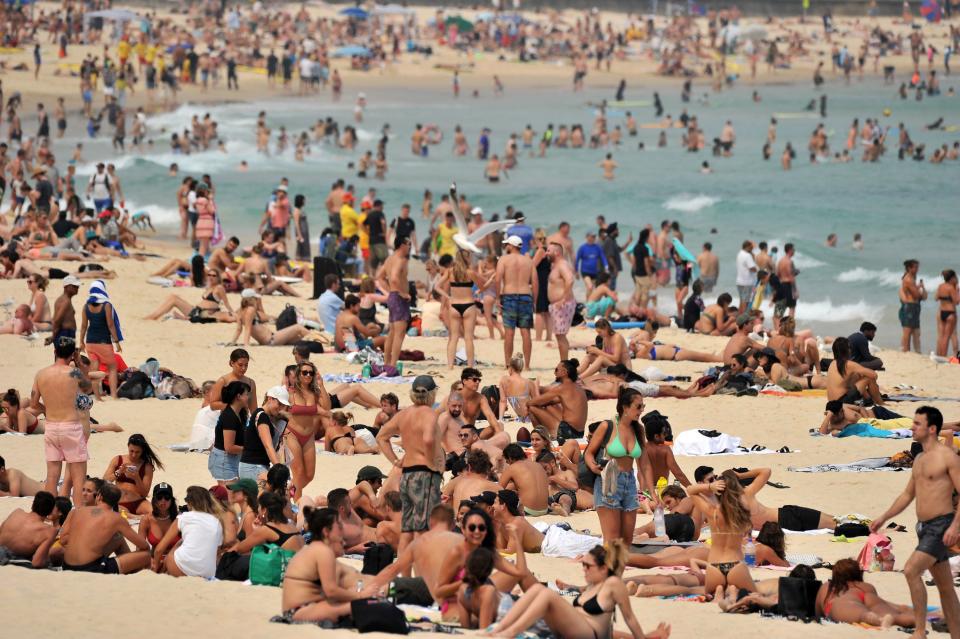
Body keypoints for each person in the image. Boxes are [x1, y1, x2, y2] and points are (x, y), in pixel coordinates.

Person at [871, 406, 960, 639]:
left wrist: (954, 526)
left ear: (932, 429)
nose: (912, 427)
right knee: (945, 587)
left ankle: (920, 632)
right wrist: (884, 517)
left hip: (942, 525)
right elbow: (907, 495)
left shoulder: (947, 457)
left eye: (917, 424)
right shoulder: (919, 458)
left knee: (911, 570)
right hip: (924, 527)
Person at [490, 540, 670, 639]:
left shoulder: (613, 584)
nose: (583, 568)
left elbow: (629, 617)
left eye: (587, 565)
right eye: (583, 564)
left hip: (588, 634)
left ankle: (508, 633)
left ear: (603, 568)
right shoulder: (593, 584)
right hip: (575, 630)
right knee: (536, 590)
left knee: (545, 594)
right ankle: (502, 629)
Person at [376, 375, 444, 556]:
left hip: (407, 474)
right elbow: (428, 439)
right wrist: (431, 464)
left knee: (407, 530)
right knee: (423, 528)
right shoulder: (429, 413)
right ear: (432, 394)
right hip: (424, 475)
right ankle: (422, 574)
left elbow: (381, 437)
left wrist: (395, 461)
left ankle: (404, 574)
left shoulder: (404, 414)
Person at [280, 508, 379, 622]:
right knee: (367, 605)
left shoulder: (314, 548)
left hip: (299, 609)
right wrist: (360, 595)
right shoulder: (323, 551)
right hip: (299, 611)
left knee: (364, 600)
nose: (342, 531)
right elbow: (331, 591)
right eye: (339, 526)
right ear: (326, 531)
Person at [583, 387, 655, 543]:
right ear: (625, 407)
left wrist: (653, 492)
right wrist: (593, 466)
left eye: (643, 406)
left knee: (627, 539)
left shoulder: (639, 430)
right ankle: (608, 566)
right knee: (612, 538)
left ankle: (617, 565)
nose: (641, 410)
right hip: (609, 480)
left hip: (629, 483)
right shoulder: (607, 426)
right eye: (638, 406)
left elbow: (645, 465)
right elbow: (588, 452)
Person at [32, 336, 88, 506]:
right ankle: (78, 514)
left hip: (51, 426)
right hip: (70, 426)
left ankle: (50, 513)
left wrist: (48, 409)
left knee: (52, 476)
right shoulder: (74, 373)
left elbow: (34, 404)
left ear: (55, 351)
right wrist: (78, 362)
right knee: (78, 479)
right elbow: (88, 388)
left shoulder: (41, 374)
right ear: (72, 354)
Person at [686, 470, 757, 597]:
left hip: (714, 566)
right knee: (756, 595)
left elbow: (690, 490)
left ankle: (719, 590)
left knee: (710, 595)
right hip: (736, 565)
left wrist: (710, 486)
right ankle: (732, 589)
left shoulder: (712, 512)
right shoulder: (742, 511)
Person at [60, 483, 151, 574]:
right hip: (91, 568)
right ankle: (134, 574)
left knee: (118, 539)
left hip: (66, 566)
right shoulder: (116, 518)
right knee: (146, 555)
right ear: (117, 501)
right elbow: (144, 545)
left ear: (99, 496)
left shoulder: (77, 511)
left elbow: (63, 540)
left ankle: (130, 571)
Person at [815, 559, 915, 628]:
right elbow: (874, 602)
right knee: (897, 610)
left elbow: (817, 613)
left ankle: (876, 619)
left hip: (845, 602)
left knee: (863, 614)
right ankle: (916, 618)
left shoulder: (828, 586)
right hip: (866, 595)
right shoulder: (866, 586)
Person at [152, 486, 224, 578]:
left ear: (190, 503)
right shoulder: (216, 521)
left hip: (180, 569)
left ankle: (160, 574)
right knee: (184, 542)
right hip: (207, 573)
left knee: (175, 549)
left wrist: (155, 569)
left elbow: (159, 550)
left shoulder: (184, 517)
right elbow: (217, 551)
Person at [78, 279, 122, 400]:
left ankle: (97, 397)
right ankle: (114, 395)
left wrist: (81, 341)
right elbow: (111, 325)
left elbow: (83, 326)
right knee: (112, 367)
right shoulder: (106, 305)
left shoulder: (86, 306)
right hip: (103, 341)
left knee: (94, 369)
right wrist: (117, 342)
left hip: (90, 341)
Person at [437, 249, 481, 368]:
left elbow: (437, 286)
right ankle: (470, 366)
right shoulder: (470, 272)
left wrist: (448, 297)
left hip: (454, 305)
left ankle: (450, 365)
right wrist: (480, 290)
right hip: (468, 305)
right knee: (468, 338)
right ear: (467, 258)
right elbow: (483, 285)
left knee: (453, 338)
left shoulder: (450, 272)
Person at [497, 235, 535, 369]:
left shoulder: (504, 259)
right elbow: (535, 282)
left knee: (509, 332)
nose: (506, 246)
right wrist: (534, 299)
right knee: (525, 332)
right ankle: (528, 365)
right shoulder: (528, 261)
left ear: (511, 246)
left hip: (509, 296)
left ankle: (508, 364)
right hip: (525, 296)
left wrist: (497, 298)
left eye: (507, 244)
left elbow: (498, 279)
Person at [286, 361, 323, 498]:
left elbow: (327, 405)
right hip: (292, 433)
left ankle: (289, 493)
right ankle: (297, 503)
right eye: (304, 372)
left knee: (309, 475)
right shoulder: (290, 392)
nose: (308, 375)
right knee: (299, 472)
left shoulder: (315, 393)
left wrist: (322, 385)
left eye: (311, 373)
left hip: (308, 435)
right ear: (298, 374)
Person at [102, 433, 163, 515]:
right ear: (128, 447)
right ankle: (135, 517)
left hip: (138, 502)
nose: (134, 455)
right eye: (131, 451)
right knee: (123, 513)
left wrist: (136, 477)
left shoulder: (147, 466)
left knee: (155, 513)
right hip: (119, 501)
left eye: (137, 452)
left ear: (142, 451)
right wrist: (119, 472)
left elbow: (144, 493)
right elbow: (104, 481)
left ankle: (133, 517)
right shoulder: (118, 459)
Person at [527, 359, 588, 440]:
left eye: (556, 370)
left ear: (564, 372)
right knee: (549, 406)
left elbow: (532, 402)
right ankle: (543, 435)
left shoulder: (562, 388)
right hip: (579, 433)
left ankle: (541, 436)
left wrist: (535, 386)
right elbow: (549, 402)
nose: (554, 373)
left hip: (567, 432)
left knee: (531, 408)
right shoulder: (578, 388)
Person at [238, 386, 289, 480]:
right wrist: (279, 470)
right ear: (270, 399)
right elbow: (268, 446)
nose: (281, 408)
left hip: (255, 465)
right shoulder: (262, 417)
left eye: (283, 405)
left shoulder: (266, 417)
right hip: (253, 466)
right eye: (279, 404)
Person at [377, 235, 412, 368]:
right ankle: (392, 364)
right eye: (408, 244)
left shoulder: (389, 259)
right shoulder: (401, 259)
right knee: (399, 333)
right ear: (402, 245)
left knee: (392, 332)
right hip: (398, 298)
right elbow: (395, 277)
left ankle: (387, 362)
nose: (410, 247)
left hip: (392, 297)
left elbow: (379, 277)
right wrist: (401, 293)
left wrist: (390, 290)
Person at [0, 491, 58, 566]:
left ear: (33, 505)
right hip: (12, 559)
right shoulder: (49, 531)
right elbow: (37, 562)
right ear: (50, 512)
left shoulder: (17, 512)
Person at [208, 380, 249, 485]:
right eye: (246, 394)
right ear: (238, 396)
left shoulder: (240, 414)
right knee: (228, 495)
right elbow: (229, 447)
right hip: (224, 460)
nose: (248, 397)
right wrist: (249, 449)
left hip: (231, 459)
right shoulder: (229, 416)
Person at [826, 337, 883, 405]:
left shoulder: (832, 363)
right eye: (850, 348)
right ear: (847, 350)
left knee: (856, 376)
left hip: (831, 402)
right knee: (869, 378)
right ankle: (880, 403)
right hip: (842, 401)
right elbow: (874, 375)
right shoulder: (849, 364)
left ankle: (868, 400)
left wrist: (857, 376)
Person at [499, 445, 550, 516]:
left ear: (510, 458)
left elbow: (498, 489)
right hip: (544, 509)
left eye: (507, 461)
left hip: (527, 510)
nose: (508, 463)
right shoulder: (538, 465)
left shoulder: (512, 468)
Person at [209, 348, 257, 414]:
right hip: (227, 420)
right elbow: (213, 405)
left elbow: (253, 409)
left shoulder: (251, 383)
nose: (244, 368)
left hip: (244, 421)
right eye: (240, 365)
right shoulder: (223, 381)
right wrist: (234, 406)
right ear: (232, 363)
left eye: (246, 365)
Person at [138, 483, 179, 553]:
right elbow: (139, 548)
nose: (163, 501)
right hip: (154, 560)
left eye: (167, 497)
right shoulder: (146, 520)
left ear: (172, 500)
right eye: (159, 497)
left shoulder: (179, 518)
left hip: (175, 560)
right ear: (154, 500)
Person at [498, 353, 538, 422]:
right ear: (521, 368)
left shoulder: (504, 380)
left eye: (507, 367)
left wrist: (500, 419)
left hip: (521, 418)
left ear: (511, 368)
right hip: (530, 418)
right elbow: (537, 403)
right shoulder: (529, 382)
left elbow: (503, 401)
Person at [899, 259, 927, 353]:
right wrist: (920, 291)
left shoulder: (912, 278)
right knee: (908, 330)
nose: (917, 269)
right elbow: (916, 295)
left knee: (915, 331)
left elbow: (919, 295)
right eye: (915, 267)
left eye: (917, 267)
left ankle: (915, 351)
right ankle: (906, 350)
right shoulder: (908, 279)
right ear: (909, 268)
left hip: (914, 306)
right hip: (910, 306)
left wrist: (919, 288)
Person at [935, 269, 959, 357]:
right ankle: (944, 355)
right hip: (950, 313)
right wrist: (957, 291)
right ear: (952, 278)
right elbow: (956, 301)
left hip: (942, 311)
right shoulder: (951, 288)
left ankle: (940, 354)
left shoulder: (940, 286)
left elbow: (936, 298)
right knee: (947, 336)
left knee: (941, 335)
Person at [735, 240, 758, 312]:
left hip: (740, 281)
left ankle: (739, 318)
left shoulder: (740, 254)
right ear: (748, 247)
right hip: (747, 282)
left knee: (742, 301)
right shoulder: (747, 256)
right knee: (746, 301)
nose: (752, 249)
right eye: (751, 247)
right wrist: (757, 269)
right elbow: (752, 268)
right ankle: (744, 319)